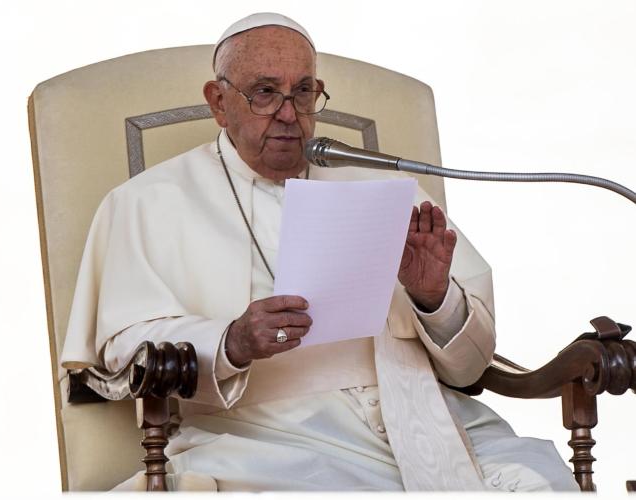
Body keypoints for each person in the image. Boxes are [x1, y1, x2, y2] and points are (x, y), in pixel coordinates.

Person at [61, 12, 580, 492]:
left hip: (423, 413)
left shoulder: (378, 185)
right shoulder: (145, 202)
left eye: (303, 92)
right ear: (218, 102)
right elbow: (123, 349)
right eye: (265, 93)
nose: (289, 115)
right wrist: (231, 340)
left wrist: (434, 298)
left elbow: (469, 368)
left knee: (542, 483)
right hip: (263, 435)